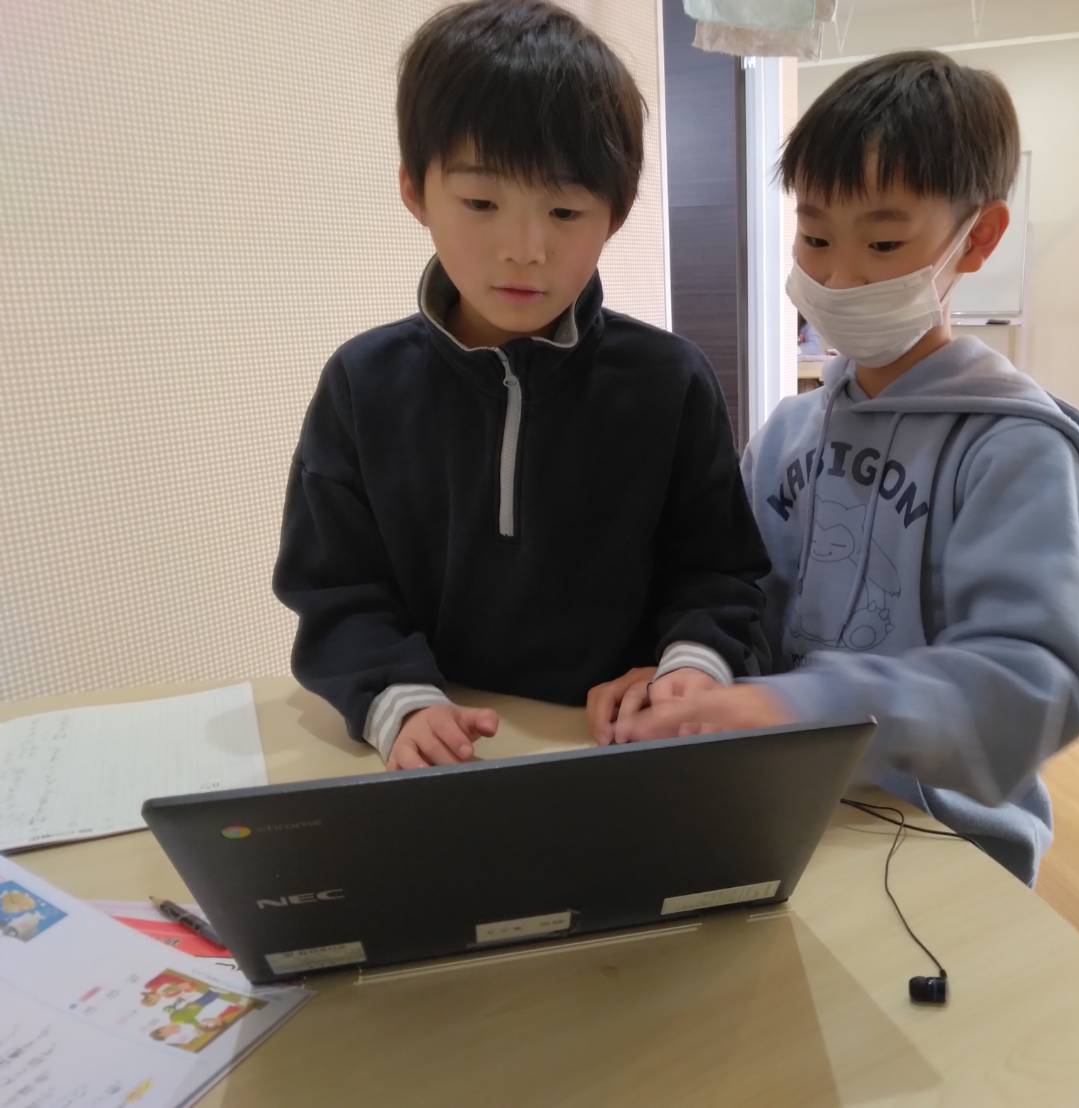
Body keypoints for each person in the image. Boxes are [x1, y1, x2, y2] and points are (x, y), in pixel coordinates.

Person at [608, 51, 1079, 884]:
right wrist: (693, 670)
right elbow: (739, 601)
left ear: (977, 238)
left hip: (939, 835)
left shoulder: (1014, 452)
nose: (839, 277)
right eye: (814, 237)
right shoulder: (786, 433)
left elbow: (1034, 683)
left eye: (883, 242)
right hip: (784, 801)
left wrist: (800, 705)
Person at [274, 0, 769, 770]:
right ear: (415, 191)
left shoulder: (669, 382)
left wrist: (689, 667)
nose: (524, 248)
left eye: (565, 210)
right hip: (440, 755)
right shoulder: (361, 383)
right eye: (480, 203)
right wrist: (397, 700)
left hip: (622, 751)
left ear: (615, 214)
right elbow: (337, 590)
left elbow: (718, 573)